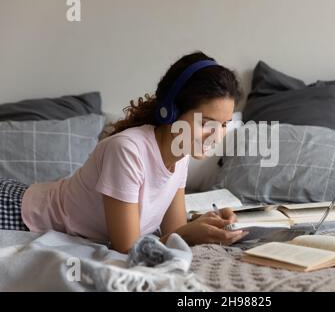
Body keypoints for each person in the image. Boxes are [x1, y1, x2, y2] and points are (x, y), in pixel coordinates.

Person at [0, 51, 248, 253]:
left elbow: (174, 232)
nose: (216, 134)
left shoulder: (180, 156)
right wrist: (190, 233)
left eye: (224, 124)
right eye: (206, 123)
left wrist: (210, 225)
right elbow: (127, 249)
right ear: (169, 112)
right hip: (18, 213)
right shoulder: (127, 150)